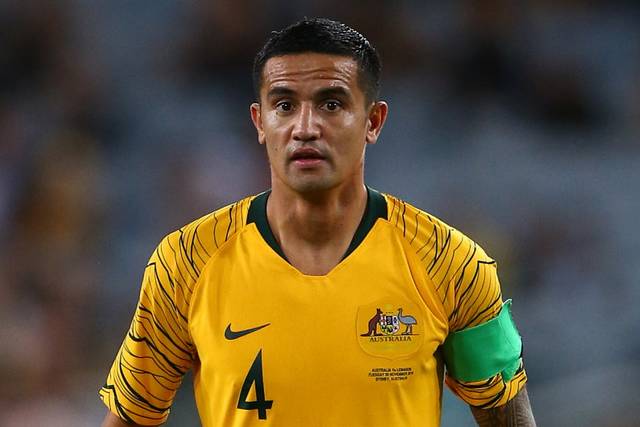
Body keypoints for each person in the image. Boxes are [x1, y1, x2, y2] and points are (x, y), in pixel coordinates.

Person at [100, 18, 536, 427]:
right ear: (260, 122)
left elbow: (510, 416)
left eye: (331, 104)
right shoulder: (185, 263)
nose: (305, 128)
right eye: (284, 105)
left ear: (373, 121)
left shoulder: (452, 264)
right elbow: (131, 417)